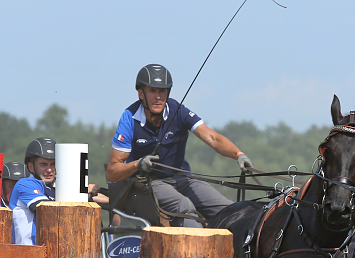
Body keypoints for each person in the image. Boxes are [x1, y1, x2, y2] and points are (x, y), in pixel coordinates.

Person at [105, 64, 253, 227]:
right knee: (184, 206)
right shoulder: (129, 118)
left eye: (162, 91)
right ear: (141, 93)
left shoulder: (178, 110)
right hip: (151, 183)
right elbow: (112, 172)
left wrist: (238, 154)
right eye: (152, 91)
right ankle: (197, 251)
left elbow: (212, 138)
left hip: (183, 179)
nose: (158, 97)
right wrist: (138, 164)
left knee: (230, 210)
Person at [9, 137, 56, 245]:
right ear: (31, 167)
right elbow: (48, 209)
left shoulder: (54, 188)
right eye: (43, 164)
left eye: (53, 164)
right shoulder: (25, 184)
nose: (49, 170)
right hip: (26, 255)